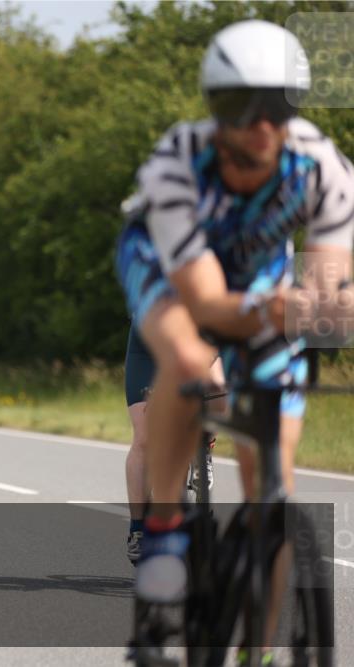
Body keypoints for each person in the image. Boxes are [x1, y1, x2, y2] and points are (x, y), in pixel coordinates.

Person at [115, 18, 354, 618]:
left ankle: (260, 639)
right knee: (176, 388)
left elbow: (328, 275)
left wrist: (328, 301)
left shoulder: (321, 165)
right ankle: (158, 529)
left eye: (275, 106)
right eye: (236, 106)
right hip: (168, 289)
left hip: (260, 298)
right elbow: (199, 300)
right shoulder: (177, 164)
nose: (258, 126)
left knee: (270, 478)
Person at [123, 326, 224, 565]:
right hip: (151, 343)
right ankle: (138, 529)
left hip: (205, 339)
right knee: (145, 438)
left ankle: (203, 445)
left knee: (219, 391)